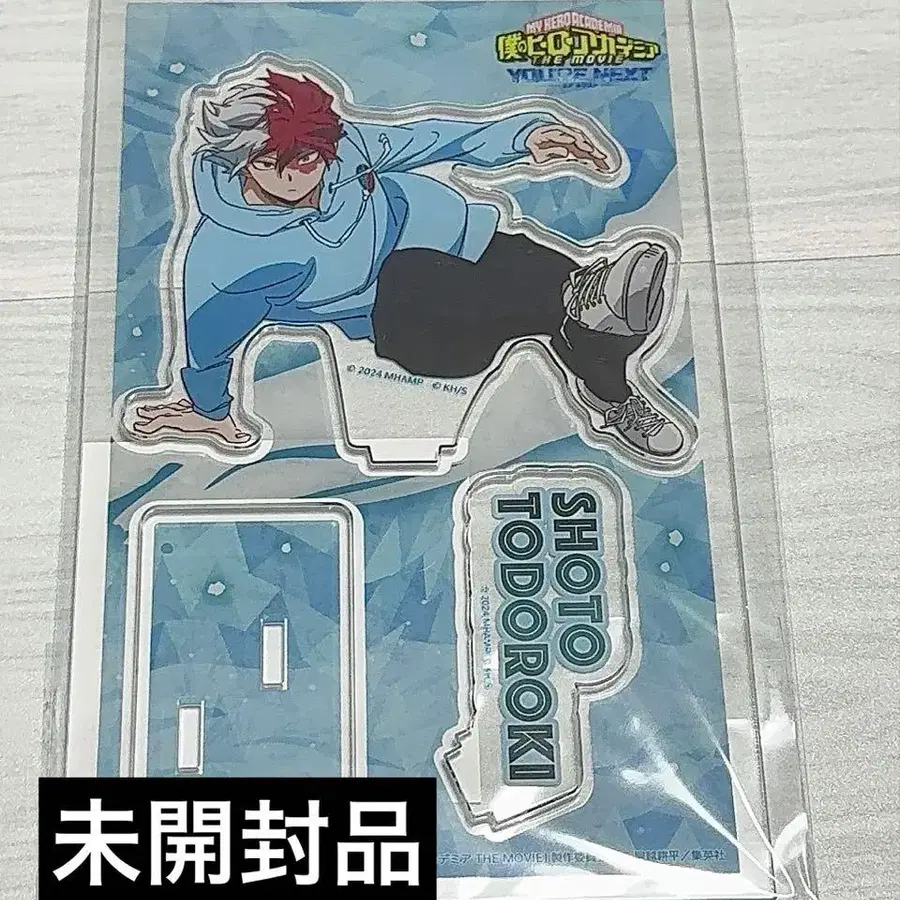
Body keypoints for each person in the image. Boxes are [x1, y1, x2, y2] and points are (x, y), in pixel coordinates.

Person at [133, 70, 683, 457]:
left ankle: (609, 381)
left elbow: (430, 139)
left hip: (454, 235)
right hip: (397, 311)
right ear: (244, 160)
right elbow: (207, 340)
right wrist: (207, 411)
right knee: (465, 288)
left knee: (558, 286)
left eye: (315, 155)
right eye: (287, 160)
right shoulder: (229, 259)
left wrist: (523, 136)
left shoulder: (340, 148)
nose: (310, 172)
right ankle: (583, 313)